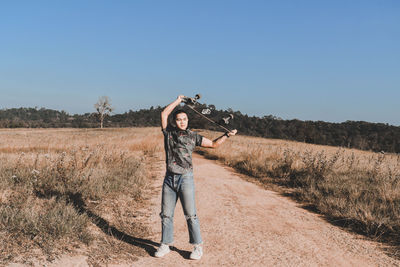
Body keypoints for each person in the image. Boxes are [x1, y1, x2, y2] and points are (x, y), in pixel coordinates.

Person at [154, 95, 237, 260]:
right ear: (175, 121)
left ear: (188, 121)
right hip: (169, 180)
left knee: (190, 215)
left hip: (186, 179)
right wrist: (178, 100)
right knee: (166, 214)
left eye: (184, 119)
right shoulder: (168, 133)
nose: (182, 122)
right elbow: (164, 114)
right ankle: (165, 244)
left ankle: (197, 247)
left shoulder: (193, 136)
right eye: (179, 119)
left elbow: (213, 144)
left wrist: (227, 136)